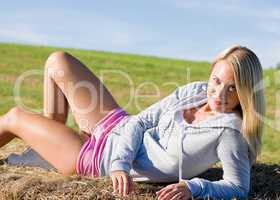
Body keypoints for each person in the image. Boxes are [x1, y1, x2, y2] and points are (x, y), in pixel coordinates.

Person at [0, 45, 265, 199]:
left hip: (95, 157)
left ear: (246, 93)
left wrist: (193, 187)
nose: (219, 94)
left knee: (14, 117)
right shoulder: (194, 91)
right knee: (58, 60)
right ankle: (46, 148)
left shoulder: (229, 133)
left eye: (233, 88)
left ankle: (52, 148)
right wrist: (121, 163)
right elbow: (139, 122)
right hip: (116, 124)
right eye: (217, 81)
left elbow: (238, 187)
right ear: (211, 73)